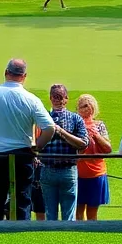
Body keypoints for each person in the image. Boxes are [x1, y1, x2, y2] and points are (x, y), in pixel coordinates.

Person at [0, 58, 55, 221]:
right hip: (22, 155)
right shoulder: (31, 99)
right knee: (22, 200)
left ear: (6, 73)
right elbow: (50, 128)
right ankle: (21, 237)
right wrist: (37, 147)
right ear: (24, 76)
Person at [39, 83, 89, 220]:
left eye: (59, 96)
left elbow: (83, 143)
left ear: (66, 99)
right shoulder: (44, 118)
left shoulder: (74, 118)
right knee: (56, 214)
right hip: (51, 169)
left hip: (66, 169)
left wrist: (61, 132)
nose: (57, 99)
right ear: (51, 98)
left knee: (61, 215)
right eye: (55, 96)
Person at [75, 93, 112, 219]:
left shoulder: (100, 125)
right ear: (77, 109)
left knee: (92, 211)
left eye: (90, 105)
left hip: (96, 173)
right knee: (78, 209)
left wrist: (95, 135)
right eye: (83, 106)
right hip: (78, 173)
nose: (87, 109)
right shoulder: (74, 125)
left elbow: (108, 149)